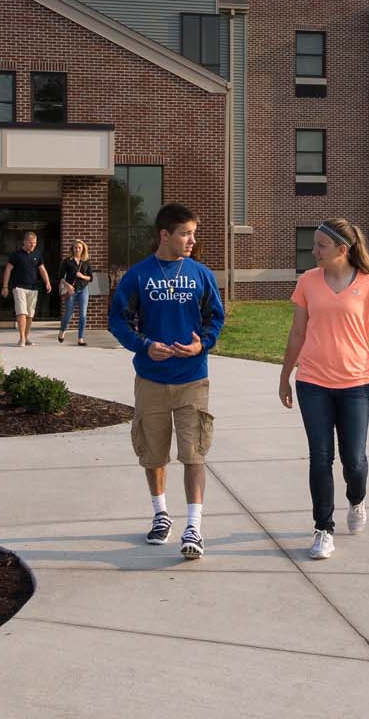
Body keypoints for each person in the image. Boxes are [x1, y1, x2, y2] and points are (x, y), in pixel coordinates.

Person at [109, 203, 225, 560]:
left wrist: (200, 344)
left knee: (194, 453)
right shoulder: (139, 276)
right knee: (153, 453)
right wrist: (144, 345)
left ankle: (194, 526)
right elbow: (118, 320)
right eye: (186, 233)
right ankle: (161, 515)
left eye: (193, 233)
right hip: (151, 379)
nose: (192, 240)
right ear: (165, 235)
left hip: (192, 378)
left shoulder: (201, 275)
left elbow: (215, 320)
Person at [277, 218, 369, 561]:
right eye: (313, 245)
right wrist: (285, 375)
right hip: (312, 382)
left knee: (354, 461)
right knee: (320, 457)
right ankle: (323, 529)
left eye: (320, 246)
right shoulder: (308, 282)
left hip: (356, 384)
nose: (313, 251)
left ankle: (357, 500)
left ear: (343, 250)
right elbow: (297, 332)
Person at [1, 231, 53, 347]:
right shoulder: (15, 255)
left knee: (30, 314)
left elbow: (42, 270)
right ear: (24, 242)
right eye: (30, 243)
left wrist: (47, 282)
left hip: (33, 288)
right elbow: (8, 270)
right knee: (21, 312)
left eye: (34, 243)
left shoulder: (37, 254)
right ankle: (22, 338)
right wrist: (5, 286)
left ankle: (26, 336)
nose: (32, 245)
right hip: (18, 287)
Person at [57, 239, 94, 345]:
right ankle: (62, 331)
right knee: (69, 313)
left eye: (79, 248)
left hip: (83, 289)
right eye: (75, 247)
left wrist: (82, 276)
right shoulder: (67, 261)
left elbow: (91, 278)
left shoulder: (86, 261)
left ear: (83, 249)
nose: (77, 249)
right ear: (72, 249)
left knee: (83, 314)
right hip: (71, 290)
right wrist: (67, 285)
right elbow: (60, 276)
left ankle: (80, 338)